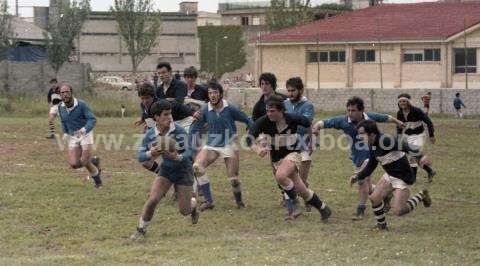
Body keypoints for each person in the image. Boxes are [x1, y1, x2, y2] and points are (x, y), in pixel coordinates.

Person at [312, 96, 405, 220]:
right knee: (367, 184)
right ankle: (385, 195)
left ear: (361, 111)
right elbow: (325, 122)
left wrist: (398, 122)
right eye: (348, 110)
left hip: (370, 155)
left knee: (362, 180)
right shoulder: (343, 121)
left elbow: (386, 117)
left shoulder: (370, 117)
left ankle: (360, 210)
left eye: (353, 110)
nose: (350, 113)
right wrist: (316, 127)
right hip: (357, 157)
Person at [247, 95, 332, 220]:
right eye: (267, 111)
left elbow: (309, 124)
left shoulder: (292, 118)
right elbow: (249, 138)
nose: (269, 114)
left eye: (272, 111)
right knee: (302, 190)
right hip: (277, 160)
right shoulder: (263, 121)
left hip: (293, 155)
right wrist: (257, 149)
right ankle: (323, 208)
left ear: (281, 110)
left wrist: (312, 141)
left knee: (280, 176)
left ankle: (295, 203)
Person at [130, 100, 199, 240]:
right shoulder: (151, 134)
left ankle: (193, 205)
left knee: (184, 210)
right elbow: (140, 156)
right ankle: (141, 229)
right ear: (156, 117)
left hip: (183, 172)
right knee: (152, 199)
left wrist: (178, 157)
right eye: (166, 115)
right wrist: (152, 154)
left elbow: (190, 151)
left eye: (170, 114)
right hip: (166, 171)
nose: (170, 117)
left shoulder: (178, 131)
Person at [350, 120, 431, 231]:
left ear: (371, 133)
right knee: (374, 198)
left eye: (362, 133)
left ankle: (421, 196)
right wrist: (358, 176)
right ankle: (382, 227)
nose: (359, 137)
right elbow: (372, 165)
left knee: (399, 211)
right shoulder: (372, 144)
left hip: (403, 176)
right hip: (390, 174)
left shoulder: (385, 140)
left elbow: (405, 145)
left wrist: (421, 156)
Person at [190, 82, 253, 211]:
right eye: (210, 93)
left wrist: (251, 129)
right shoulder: (204, 109)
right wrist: (190, 136)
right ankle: (209, 201)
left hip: (229, 143)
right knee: (197, 167)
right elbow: (195, 127)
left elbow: (246, 118)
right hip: (212, 144)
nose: (212, 95)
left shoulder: (230, 108)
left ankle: (239, 202)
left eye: (215, 92)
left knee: (233, 178)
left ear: (220, 94)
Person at [58, 84, 102, 188]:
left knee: (85, 161)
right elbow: (63, 121)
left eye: (67, 92)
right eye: (62, 93)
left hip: (85, 133)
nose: (65, 94)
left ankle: (98, 182)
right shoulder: (60, 107)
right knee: (74, 164)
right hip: (73, 135)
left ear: (71, 92)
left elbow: (92, 119)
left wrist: (84, 129)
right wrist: (65, 133)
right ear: (60, 95)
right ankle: (94, 161)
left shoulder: (82, 104)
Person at [283, 77, 315, 212]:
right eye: (288, 90)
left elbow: (305, 123)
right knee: (291, 176)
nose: (290, 94)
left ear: (301, 90)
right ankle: (303, 198)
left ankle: (304, 198)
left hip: (303, 144)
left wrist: (311, 141)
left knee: (299, 179)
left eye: (293, 91)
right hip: (286, 145)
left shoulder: (308, 106)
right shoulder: (285, 103)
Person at [397, 93, 436, 182]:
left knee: (412, 157)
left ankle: (413, 178)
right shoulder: (399, 113)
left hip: (419, 136)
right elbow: (399, 127)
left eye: (404, 101)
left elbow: (429, 122)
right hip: (407, 136)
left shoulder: (416, 111)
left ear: (408, 102)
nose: (402, 103)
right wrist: (399, 139)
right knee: (414, 158)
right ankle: (430, 171)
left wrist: (432, 135)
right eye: (400, 101)